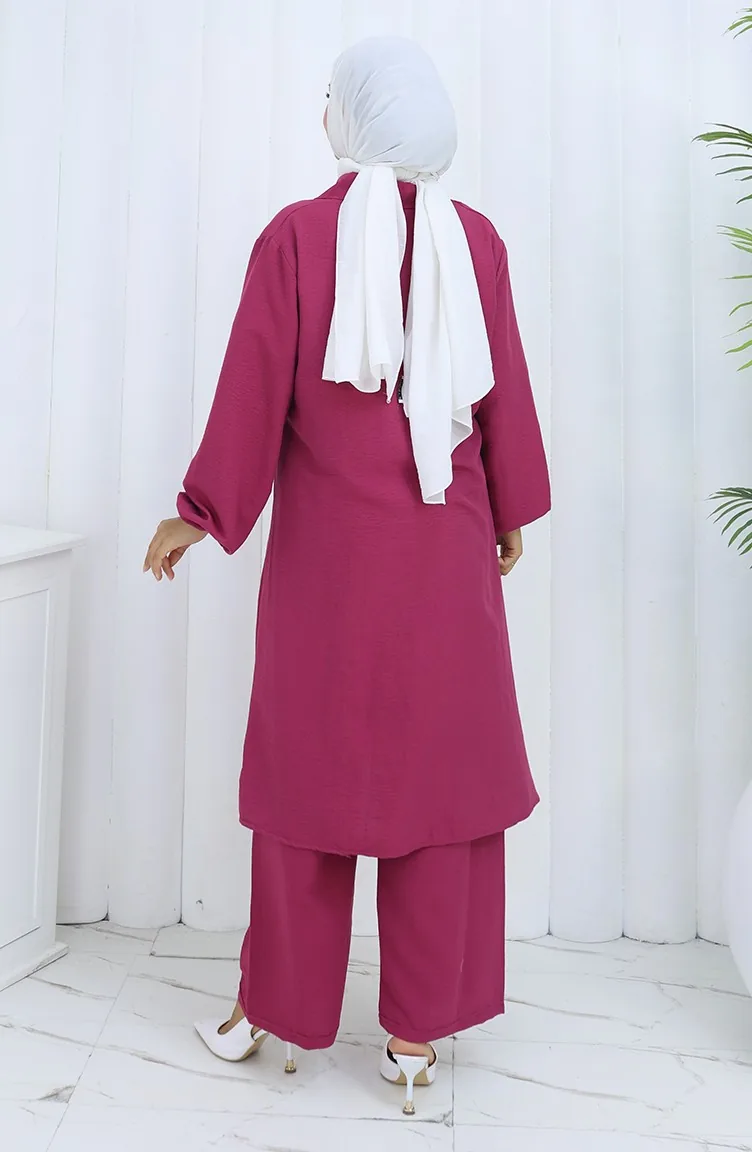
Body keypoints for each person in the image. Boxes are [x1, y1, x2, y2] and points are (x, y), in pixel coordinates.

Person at [143, 36, 550, 1115]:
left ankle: (271, 1011)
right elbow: (501, 393)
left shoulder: (295, 237)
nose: (323, 109)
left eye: (332, 96)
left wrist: (200, 512)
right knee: (440, 790)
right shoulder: (477, 241)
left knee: (307, 781)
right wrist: (510, 508)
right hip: (448, 558)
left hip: (329, 568)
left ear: (360, 116)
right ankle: (413, 1039)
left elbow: (252, 391)